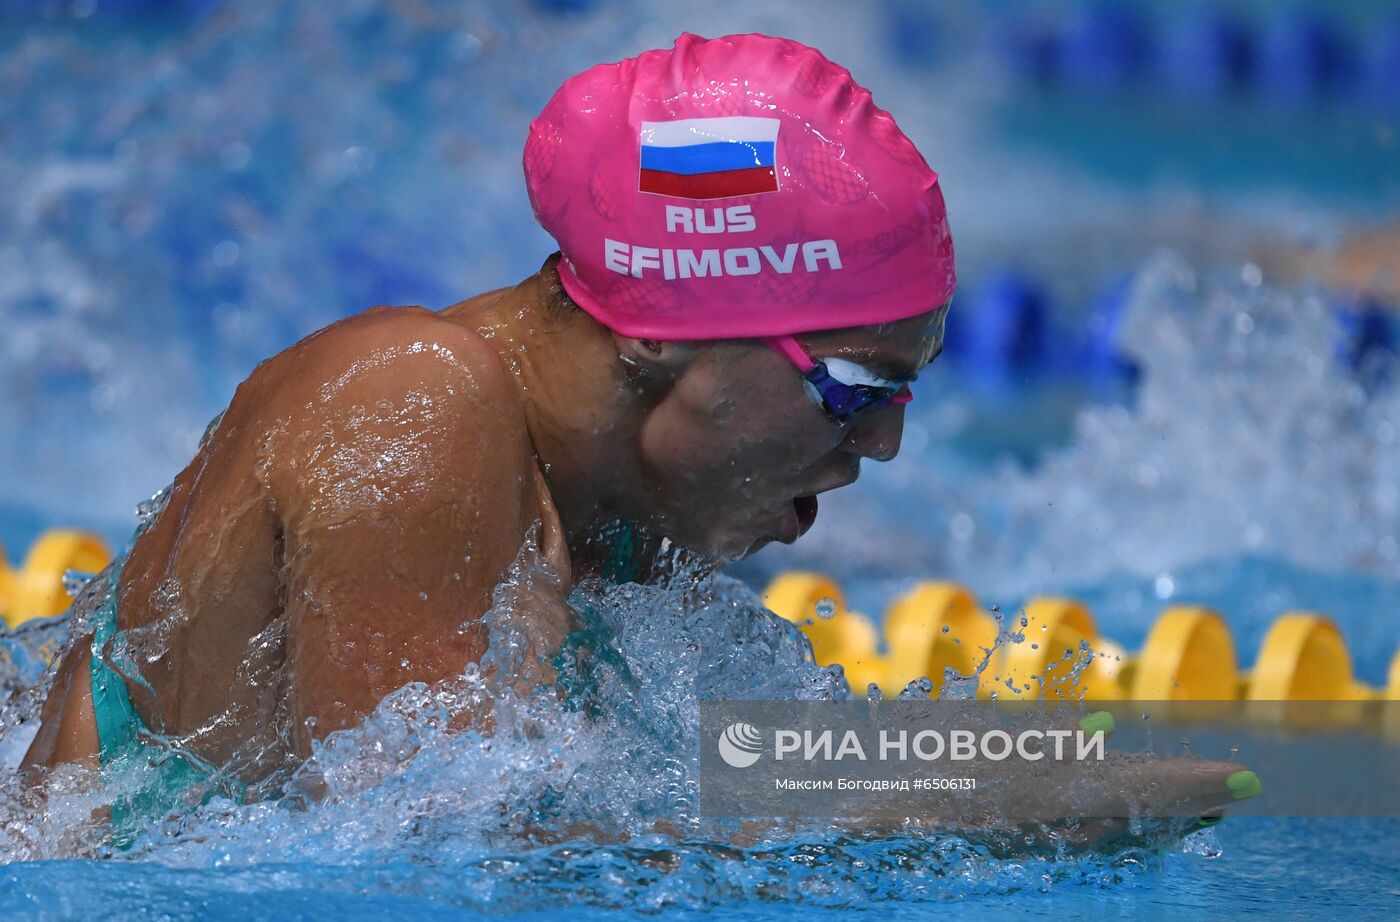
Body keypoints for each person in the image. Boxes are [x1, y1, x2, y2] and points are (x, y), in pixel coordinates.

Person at [21, 32, 1255, 841]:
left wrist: (1004, 768)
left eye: (905, 388)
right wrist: (956, 808)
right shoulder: (413, 398)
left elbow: (633, 788)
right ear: (667, 333)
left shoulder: (609, 510)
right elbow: (429, 859)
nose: (881, 443)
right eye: (848, 382)